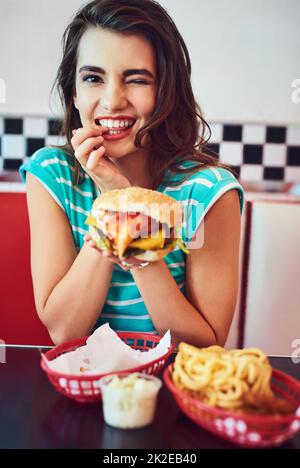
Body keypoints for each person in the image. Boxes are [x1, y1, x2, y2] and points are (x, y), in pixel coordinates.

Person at [19, 0, 244, 347]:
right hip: (82, 389)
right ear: (74, 93)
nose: (112, 100)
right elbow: (65, 331)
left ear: (166, 92)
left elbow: (204, 345)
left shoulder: (209, 193)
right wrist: (113, 204)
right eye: (93, 78)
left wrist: (127, 212)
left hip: (171, 390)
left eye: (136, 80)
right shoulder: (52, 175)